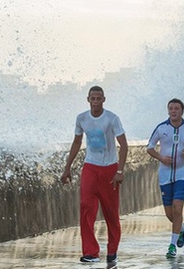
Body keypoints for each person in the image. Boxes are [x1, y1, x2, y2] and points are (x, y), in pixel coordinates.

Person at [61, 85, 128, 264]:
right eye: (93, 98)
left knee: (111, 213)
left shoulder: (112, 119)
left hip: (109, 170)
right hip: (90, 167)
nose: (96, 102)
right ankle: (90, 252)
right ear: (88, 99)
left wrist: (120, 171)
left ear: (103, 100)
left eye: (99, 99)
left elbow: (124, 145)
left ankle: (112, 250)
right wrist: (67, 167)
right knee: (85, 207)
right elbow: (76, 143)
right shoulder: (81, 118)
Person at [146, 98, 184, 258]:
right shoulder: (161, 128)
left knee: (178, 208)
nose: (173, 111)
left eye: (176, 108)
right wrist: (161, 158)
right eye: (171, 108)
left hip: (183, 174)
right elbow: (149, 148)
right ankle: (182, 228)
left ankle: (172, 246)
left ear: (182, 111)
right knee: (170, 214)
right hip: (165, 175)